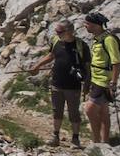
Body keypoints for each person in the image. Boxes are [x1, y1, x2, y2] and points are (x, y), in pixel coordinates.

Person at [30, 19, 87, 147]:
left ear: (69, 31)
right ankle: (55, 136)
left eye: (59, 31)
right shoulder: (56, 41)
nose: (57, 33)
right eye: (56, 31)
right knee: (57, 111)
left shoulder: (80, 45)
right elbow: (51, 55)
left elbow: (87, 65)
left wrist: (87, 83)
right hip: (57, 82)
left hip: (73, 85)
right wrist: (38, 65)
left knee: (74, 112)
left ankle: (75, 139)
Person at [81, 11, 120, 143]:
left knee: (90, 110)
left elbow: (116, 62)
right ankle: (105, 141)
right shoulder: (98, 39)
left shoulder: (108, 40)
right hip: (96, 79)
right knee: (103, 112)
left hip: (103, 81)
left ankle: (96, 141)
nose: (85, 26)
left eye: (87, 24)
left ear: (96, 25)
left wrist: (113, 82)